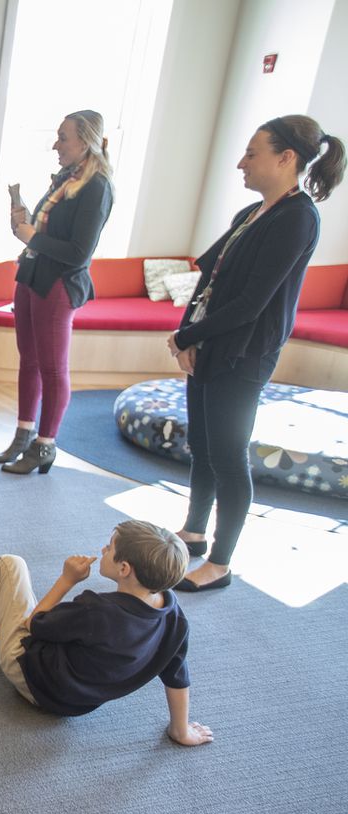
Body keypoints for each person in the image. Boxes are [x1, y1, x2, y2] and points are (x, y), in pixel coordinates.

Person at [164, 114, 344, 592]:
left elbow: (251, 304)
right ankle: (194, 531)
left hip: (245, 354)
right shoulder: (251, 213)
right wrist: (187, 333)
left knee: (227, 455)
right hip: (211, 342)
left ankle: (219, 563)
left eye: (252, 153)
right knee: (201, 446)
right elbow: (209, 278)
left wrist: (188, 338)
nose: (241, 162)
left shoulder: (298, 217)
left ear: (286, 159)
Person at [0, 520, 213, 747]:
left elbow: (35, 623)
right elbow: (176, 675)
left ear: (124, 568)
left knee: (9, 565)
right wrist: (181, 730)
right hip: (78, 703)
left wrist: (66, 580)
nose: (103, 549)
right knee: (17, 597)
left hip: (31, 677)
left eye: (110, 547)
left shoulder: (96, 609)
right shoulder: (174, 617)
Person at [0, 110, 115, 475]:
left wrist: (35, 237)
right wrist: (26, 221)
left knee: (52, 367)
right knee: (28, 360)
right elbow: (51, 234)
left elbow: (79, 253)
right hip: (32, 275)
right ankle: (24, 434)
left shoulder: (97, 187)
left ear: (86, 141)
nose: (55, 144)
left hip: (59, 284)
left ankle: (45, 444)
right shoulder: (68, 178)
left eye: (63, 137)